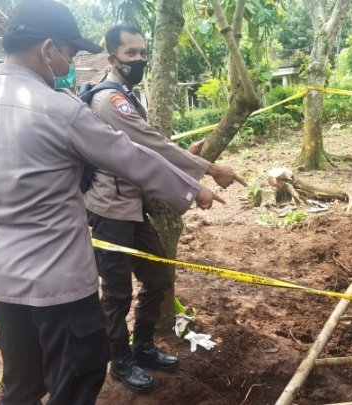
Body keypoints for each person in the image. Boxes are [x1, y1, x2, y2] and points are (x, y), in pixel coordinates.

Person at [0, 1, 221, 404]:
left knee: (22, 387)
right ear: (47, 47)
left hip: (3, 283)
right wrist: (193, 188)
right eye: (69, 51)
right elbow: (128, 155)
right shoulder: (60, 109)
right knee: (77, 380)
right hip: (61, 288)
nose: (69, 61)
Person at [83, 24, 245, 394]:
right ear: (112, 59)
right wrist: (207, 172)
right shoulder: (110, 100)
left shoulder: (124, 94)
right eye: (130, 54)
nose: (139, 59)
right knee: (117, 292)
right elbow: (149, 144)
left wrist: (188, 158)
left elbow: (143, 149)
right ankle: (120, 361)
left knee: (157, 279)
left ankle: (142, 346)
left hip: (132, 206)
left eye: (142, 53)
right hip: (109, 210)